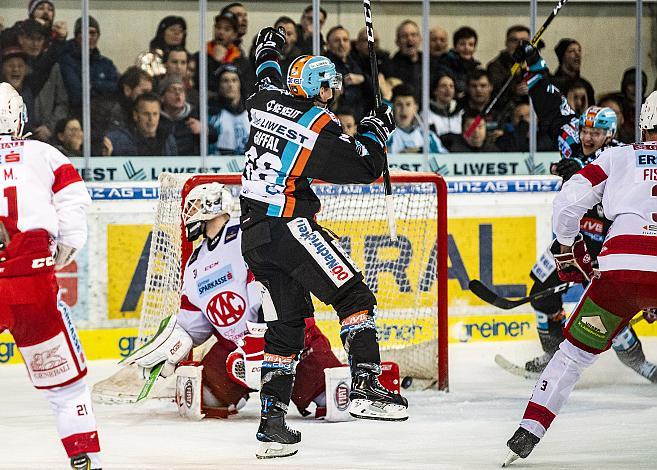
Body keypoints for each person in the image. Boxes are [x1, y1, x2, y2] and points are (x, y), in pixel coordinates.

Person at [240, 27, 408, 458]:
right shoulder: (315, 124)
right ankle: (367, 386)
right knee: (353, 294)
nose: (334, 91)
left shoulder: (263, 102)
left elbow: (266, 72)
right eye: (330, 84)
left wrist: (270, 47)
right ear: (317, 88)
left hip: (255, 238)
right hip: (287, 228)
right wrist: (377, 129)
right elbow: (366, 166)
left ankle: (271, 423)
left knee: (286, 328)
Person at [503, 90, 657, 466]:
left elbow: (569, 200)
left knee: (571, 356)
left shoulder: (620, 155)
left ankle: (529, 430)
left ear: (643, 123)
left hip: (620, 266)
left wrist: (568, 245)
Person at [125, 183, 343, 421]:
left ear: (213, 205)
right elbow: (194, 321)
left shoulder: (246, 233)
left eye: (196, 205)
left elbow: (268, 282)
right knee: (202, 398)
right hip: (234, 347)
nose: (189, 212)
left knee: (336, 399)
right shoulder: (195, 263)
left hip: (286, 335)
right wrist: (172, 349)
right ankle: (237, 387)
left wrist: (261, 337)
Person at [511, 40, 657, 382]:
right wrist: (534, 65)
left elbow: (604, 171)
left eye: (597, 132)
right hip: (571, 239)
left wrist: (580, 166)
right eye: (585, 131)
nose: (588, 137)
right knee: (539, 291)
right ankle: (553, 352)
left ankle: (641, 364)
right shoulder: (571, 139)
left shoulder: (623, 152)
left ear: (611, 133)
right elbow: (552, 107)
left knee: (608, 309)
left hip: (607, 244)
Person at [0, 82, 101, 469]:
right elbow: (73, 199)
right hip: (32, 283)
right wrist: (67, 246)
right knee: (67, 389)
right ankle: (83, 459)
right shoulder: (43, 153)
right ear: (20, 117)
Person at [58, 16, 119, 114]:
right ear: (77, 36)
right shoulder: (67, 61)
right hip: (77, 115)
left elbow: (118, 88)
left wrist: (94, 84)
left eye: (92, 33)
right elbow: (77, 96)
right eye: (84, 32)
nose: (89, 37)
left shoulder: (106, 63)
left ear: (98, 36)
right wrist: (103, 88)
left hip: (106, 114)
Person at [158, 74, 217, 156]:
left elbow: (214, 136)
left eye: (181, 90)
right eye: (172, 90)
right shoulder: (155, 117)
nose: (178, 93)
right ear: (162, 97)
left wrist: (204, 129)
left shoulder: (194, 114)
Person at [105, 92, 176, 156]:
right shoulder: (117, 140)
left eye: (155, 114)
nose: (151, 119)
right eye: (146, 114)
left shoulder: (169, 140)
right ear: (135, 115)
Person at [387, 84, 448, 154]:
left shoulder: (429, 137)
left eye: (408, 104)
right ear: (392, 107)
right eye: (399, 104)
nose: (404, 109)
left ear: (415, 108)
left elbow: (446, 161)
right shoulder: (384, 137)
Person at [324, 25, 369, 120]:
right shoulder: (326, 65)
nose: (342, 44)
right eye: (337, 40)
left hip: (361, 118)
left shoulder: (357, 61)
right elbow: (337, 93)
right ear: (328, 45)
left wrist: (363, 79)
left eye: (345, 40)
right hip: (340, 119)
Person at [486, 25, 530, 111]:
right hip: (504, 112)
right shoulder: (495, 66)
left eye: (524, 41)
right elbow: (495, 91)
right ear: (506, 43)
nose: (519, 45)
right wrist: (514, 90)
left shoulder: (535, 64)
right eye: (514, 40)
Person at [208, 64, 249, 155]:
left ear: (240, 84)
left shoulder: (252, 112)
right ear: (219, 85)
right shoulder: (210, 114)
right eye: (225, 81)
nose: (230, 85)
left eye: (234, 80)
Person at [550, 38, 594, 107]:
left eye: (579, 50)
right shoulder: (552, 85)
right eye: (571, 51)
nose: (577, 54)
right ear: (562, 56)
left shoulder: (586, 85)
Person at [437, 26, 481, 96]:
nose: (466, 48)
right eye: (462, 44)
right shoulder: (444, 66)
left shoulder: (476, 69)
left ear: (475, 48)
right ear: (455, 47)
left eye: (471, 45)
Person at [429, 72, 463, 136]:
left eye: (451, 86)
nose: (448, 90)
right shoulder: (427, 114)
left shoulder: (461, 112)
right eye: (443, 86)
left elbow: (468, 134)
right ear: (435, 91)